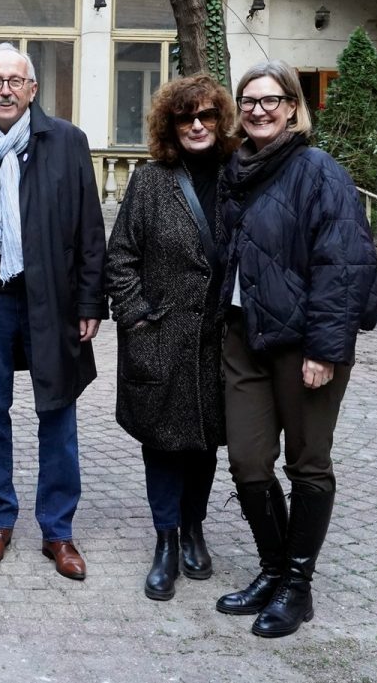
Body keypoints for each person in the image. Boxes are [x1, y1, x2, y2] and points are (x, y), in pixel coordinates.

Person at [213, 59, 377, 638]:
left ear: (292, 108)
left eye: (271, 100)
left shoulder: (318, 171)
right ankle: (273, 569)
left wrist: (324, 349)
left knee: (307, 462)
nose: (258, 110)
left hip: (304, 343)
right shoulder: (237, 169)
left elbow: (345, 263)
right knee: (247, 460)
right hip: (244, 335)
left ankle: (297, 587)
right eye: (249, 100)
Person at [0, 43, 106, 581]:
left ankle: (58, 530)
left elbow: (90, 229)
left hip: (50, 302)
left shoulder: (67, 142)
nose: (5, 90)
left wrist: (90, 301)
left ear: (33, 89)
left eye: (15, 81)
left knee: (58, 412)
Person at [104, 74, 234, 601]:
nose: (197, 125)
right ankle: (166, 541)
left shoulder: (236, 177)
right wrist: (137, 317)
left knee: (204, 443)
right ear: (170, 124)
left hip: (219, 341)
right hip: (160, 338)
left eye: (206, 115)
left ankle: (194, 529)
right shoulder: (149, 181)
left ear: (220, 120)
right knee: (161, 445)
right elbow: (120, 257)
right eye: (186, 117)